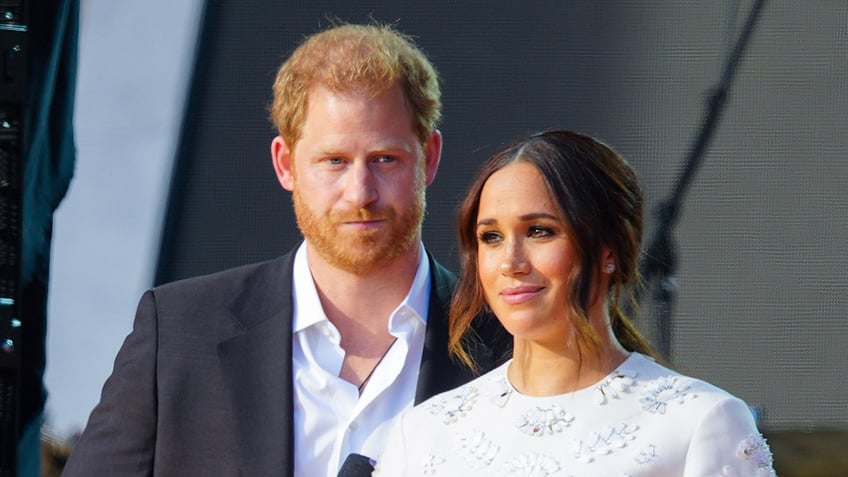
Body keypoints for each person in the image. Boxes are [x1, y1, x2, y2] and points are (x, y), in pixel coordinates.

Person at [61, 23, 507, 477]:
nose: (360, 192)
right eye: (334, 161)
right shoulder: (177, 331)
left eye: (384, 159)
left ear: (428, 158)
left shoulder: (507, 346)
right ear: (285, 164)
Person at [375, 130, 776, 476]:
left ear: (609, 249)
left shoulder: (699, 422)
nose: (511, 263)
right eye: (491, 237)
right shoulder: (426, 432)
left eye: (539, 231)